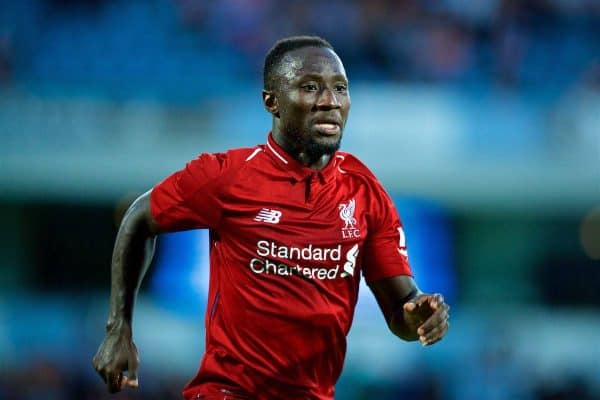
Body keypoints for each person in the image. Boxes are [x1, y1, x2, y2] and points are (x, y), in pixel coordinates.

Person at [92, 35, 450, 400]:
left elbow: (400, 309)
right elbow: (139, 218)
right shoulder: (226, 176)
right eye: (310, 87)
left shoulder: (365, 192)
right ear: (272, 102)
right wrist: (118, 328)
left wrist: (419, 316)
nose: (330, 101)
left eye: (340, 88)